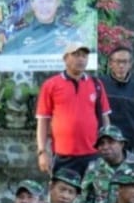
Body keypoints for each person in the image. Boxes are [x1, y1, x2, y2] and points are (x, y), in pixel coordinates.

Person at [35, 42, 111, 178]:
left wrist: (108, 144)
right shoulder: (51, 85)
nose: (81, 59)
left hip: (92, 155)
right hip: (63, 156)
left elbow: (105, 118)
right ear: (65, 59)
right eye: (76, 55)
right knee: (63, 198)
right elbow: (43, 121)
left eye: (84, 56)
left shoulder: (96, 84)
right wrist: (42, 152)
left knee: (92, 196)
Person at [101, 45, 134, 152]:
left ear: (130, 64)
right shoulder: (101, 83)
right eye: (118, 62)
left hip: (128, 142)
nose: (121, 66)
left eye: (125, 62)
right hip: (106, 141)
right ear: (111, 64)